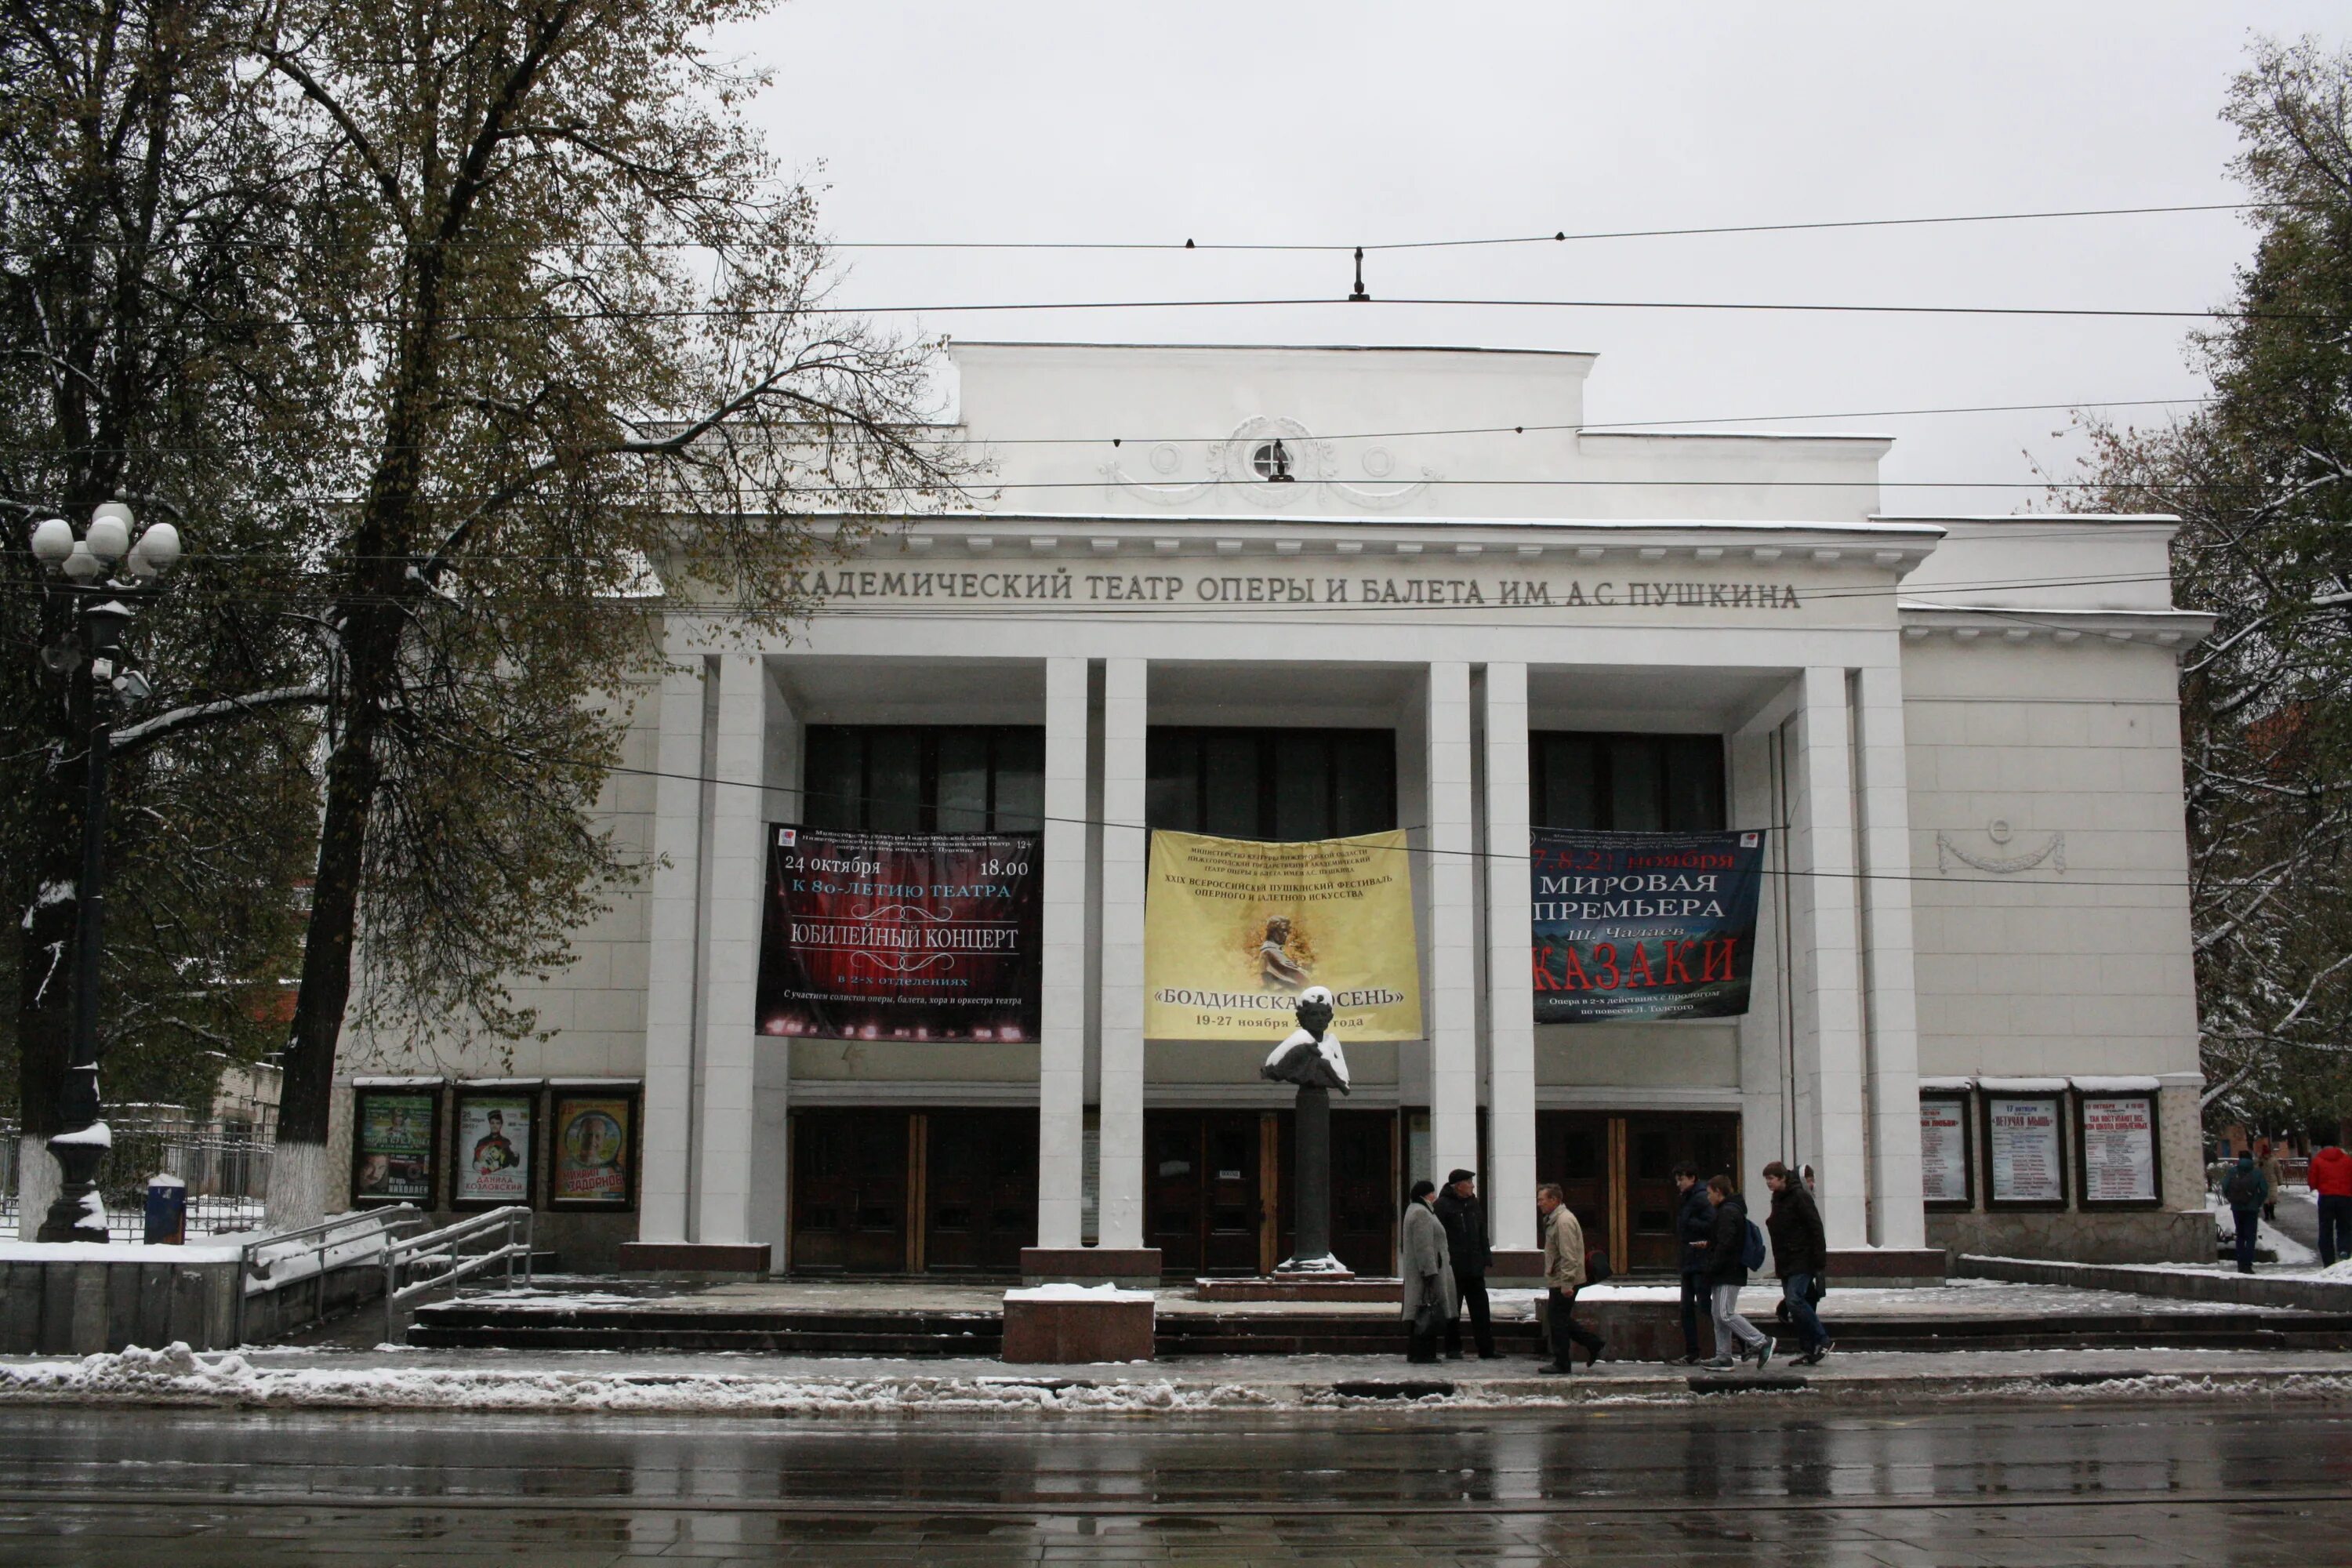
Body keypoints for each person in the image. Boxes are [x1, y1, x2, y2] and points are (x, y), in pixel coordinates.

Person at [1693, 1174, 1771, 1370]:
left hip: (1729, 1271)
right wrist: (1710, 1245)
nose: (1708, 1198)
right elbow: (1725, 1241)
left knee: (1725, 1313)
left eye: (1710, 1193)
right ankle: (1723, 1356)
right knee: (1718, 1314)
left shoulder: (1728, 1212)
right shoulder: (1728, 1210)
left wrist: (1711, 1267)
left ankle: (1761, 1341)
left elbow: (1726, 1245)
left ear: (1719, 1192)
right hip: (1726, 1270)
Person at [1762, 1160, 1831, 1365]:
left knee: (1795, 1300)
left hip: (1802, 1259)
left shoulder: (1799, 1197)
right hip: (1786, 1261)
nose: (1768, 1183)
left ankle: (1823, 1339)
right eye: (1766, 1179)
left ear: (1783, 1178)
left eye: (1771, 1179)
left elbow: (1815, 1228)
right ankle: (1809, 1349)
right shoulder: (1778, 1199)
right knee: (1800, 1304)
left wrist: (1819, 1261)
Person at [1535, 1182, 1606, 1374]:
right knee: (1559, 1319)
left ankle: (1562, 1362)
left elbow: (1568, 1255)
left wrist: (1567, 1283)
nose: (1538, 1203)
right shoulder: (1554, 1219)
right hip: (1560, 1277)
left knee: (1557, 1320)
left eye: (1542, 1199)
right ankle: (1593, 1344)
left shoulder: (1563, 1221)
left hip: (1564, 1279)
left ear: (1554, 1200)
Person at [1433, 1169, 1495, 1360]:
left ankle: (1487, 1349)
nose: (1473, 1186)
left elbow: (1481, 1232)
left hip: (1475, 1267)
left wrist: (1486, 1256)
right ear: (1458, 1185)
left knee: (1481, 1310)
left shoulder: (1473, 1204)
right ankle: (1453, 1348)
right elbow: (1437, 1237)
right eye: (1469, 1182)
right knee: (1453, 1310)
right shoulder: (1442, 1206)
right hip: (1454, 1268)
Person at [1399, 1179, 1457, 1364]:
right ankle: (1423, 1352)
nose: (1435, 1196)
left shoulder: (1416, 1210)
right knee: (1425, 1313)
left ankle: (1419, 1351)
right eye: (1432, 1192)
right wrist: (1430, 1272)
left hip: (1425, 1271)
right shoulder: (1421, 1213)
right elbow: (1424, 1247)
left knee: (1422, 1313)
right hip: (1428, 1273)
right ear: (1426, 1194)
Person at [1671, 1163, 1714, 1364]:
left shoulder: (1701, 1197)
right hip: (1690, 1260)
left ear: (1693, 1178)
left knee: (1704, 1306)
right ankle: (1692, 1351)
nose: (1678, 1184)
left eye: (1681, 1179)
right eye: (1677, 1180)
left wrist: (1690, 1225)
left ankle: (1741, 1340)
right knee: (1687, 1307)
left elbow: (1712, 1225)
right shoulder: (1689, 1198)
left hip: (1700, 1260)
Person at [2221, 1149, 2269, 1274]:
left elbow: (2225, 1186)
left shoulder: (2232, 1171)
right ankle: (2248, 1264)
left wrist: (2232, 1199)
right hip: (2252, 1209)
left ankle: (2240, 1263)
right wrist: (2257, 1202)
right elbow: (2264, 1190)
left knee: (2240, 1235)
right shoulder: (2256, 1172)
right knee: (2251, 1236)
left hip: (2237, 1208)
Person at [2311, 1132, 2352, 1268]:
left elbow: (2312, 1181)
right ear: (2336, 1146)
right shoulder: (2347, 1159)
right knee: (2345, 1227)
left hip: (2326, 1198)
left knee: (2325, 1229)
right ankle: (2345, 1250)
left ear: (2322, 1147)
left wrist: (2319, 1187)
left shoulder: (2317, 1160)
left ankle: (2328, 1261)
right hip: (2345, 1198)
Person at [2257, 1138, 2285, 1224]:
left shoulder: (2274, 1160)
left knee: (2272, 1199)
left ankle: (2272, 1214)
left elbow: (2278, 1171)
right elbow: (2256, 1169)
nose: (2267, 1155)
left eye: (2268, 1154)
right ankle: (2266, 1215)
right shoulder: (2260, 1160)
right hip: (2263, 1182)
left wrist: (2280, 1180)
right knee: (2265, 1200)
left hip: (2273, 1181)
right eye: (2265, 1154)